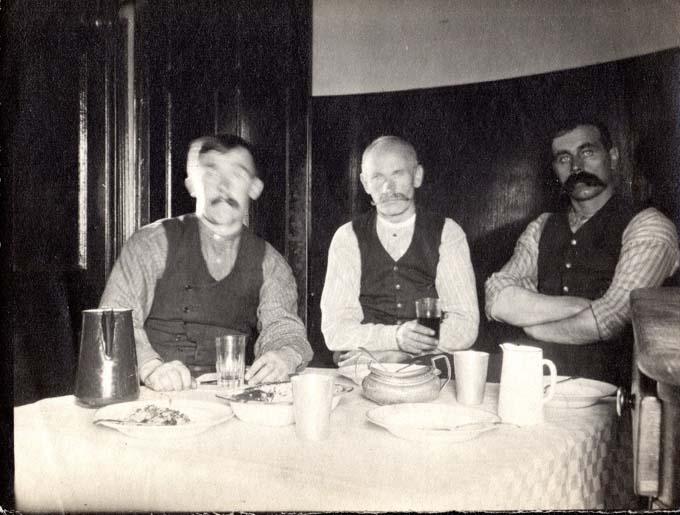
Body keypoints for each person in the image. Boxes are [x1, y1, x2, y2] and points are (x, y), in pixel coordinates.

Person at [99, 134, 313, 391]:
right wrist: (151, 368)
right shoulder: (150, 243)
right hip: (150, 392)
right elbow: (112, 319)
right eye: (211, 172)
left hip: (231, 395)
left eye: (237, 174)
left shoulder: (271, 263)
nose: (223, 186)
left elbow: (284, 327)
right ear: (191, 184)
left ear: (255, 187)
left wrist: (284, 355)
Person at [485, 120, 679, 384]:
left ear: (612, 157)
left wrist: (532, 326)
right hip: (535, 379)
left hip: (608, 389)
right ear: (555, 169)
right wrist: (583, 308)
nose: (576, 167)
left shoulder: (648, 225)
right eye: (564, 158)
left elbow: (612, 320)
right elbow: (497, 298)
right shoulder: (542, 226)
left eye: (587, 152)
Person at [321, 135, 479, 366]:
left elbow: (465, 325)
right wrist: (395, 338)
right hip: (366, 366)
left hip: (430, 365)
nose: (388, 188)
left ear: (417, 176)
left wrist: (408, 352)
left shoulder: (448, 232)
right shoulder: (347, 237)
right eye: (377, 177)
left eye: (398, 174)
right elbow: (335, 330)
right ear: (365, 183)